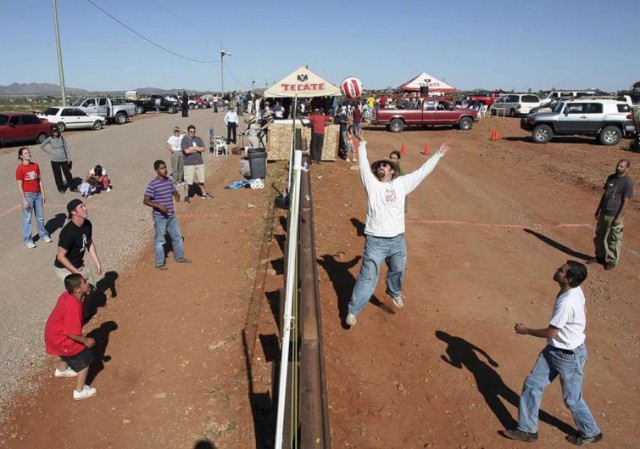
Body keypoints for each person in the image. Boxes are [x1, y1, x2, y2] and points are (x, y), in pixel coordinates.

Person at [346, 134, 450, 326]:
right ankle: (353, 310)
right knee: (368, 277)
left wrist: (438, 155)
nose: (381, 167)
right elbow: (363, 165)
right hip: (376, 241)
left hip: (397, 240)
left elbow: (422, 172)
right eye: (379, 166)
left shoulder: (402, 184)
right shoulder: (372, 185)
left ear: (393, 171)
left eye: (385, 166)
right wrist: (362, 144)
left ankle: (394, 293)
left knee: (398, 269)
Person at [504, 261, 603, 446]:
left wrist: (526, 331)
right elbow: (584, 310)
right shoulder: (575, 290)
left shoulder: (566, 302)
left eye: (561, 270)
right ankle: (527, 430)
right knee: (533, 384)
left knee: (572, 399)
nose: (557, 270)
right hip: (555, 350)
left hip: (568, 356)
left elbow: (551, 332)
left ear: (569, 279)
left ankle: (591, 431)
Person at [45, 273, 98, 400]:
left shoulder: (66, 296)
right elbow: (71, 333)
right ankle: (80, 391)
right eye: (84, 282)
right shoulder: (74, 306)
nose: (87, 281)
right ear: (77, 289)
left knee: (67, 353)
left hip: (52, 333)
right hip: (61, 338)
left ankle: (62, 370)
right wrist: (85, 340)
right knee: (84, 359)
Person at [143, 160, 191, 270]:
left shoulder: (169, 181)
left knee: (178, 237)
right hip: (160, 218)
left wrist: (177, 194)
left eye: (165, 167)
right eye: (162, 168)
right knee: (160, 240)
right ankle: (159, 263)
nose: (165, 170)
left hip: (171, 216)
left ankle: (179, 257)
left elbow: (173, 190)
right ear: (156, 171)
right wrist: (159, 206)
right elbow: (145, 200)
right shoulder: (153, 184)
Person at [589, 159, 633, 271]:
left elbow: (625, 201)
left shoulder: (628, 182)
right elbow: (605, 195)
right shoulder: (611, 177)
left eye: (621, 166)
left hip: (614, 214)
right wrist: (598, 209)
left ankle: (612, 261)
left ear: (626, 169)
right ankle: (600, 257)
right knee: (600, 237)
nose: (618, 168)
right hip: (604, 212)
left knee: (613, 239)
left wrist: (619, 216)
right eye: (618, 165)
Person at [54, 199, 103, 286]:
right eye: (81, 207)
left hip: (79, 265)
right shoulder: (68, 232)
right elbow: (60, 256)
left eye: (84, 206)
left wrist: (97, 263)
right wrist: (76, 272)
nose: (85, 208)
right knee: (79, 290)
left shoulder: (87, 224)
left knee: (92, 288)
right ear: (73, 212)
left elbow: (89, 243)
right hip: (64, 268)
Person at [15, 147, 52, 248]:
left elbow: (39, 180)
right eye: (26, 153)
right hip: (28, 195)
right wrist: (24, 200)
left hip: (38, 194)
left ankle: (43, 235)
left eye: (29, 152)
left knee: (40, 217)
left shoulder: (35, 165)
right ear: (21, 156)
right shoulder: (20, 169)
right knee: (27, 219)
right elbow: (19, 185)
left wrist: (43, 193)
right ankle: (28, 240)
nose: (28, 154)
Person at [181, 125, 213, 202]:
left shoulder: (198, 139)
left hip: (199, 163)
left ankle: (204, 194)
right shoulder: (184, 140)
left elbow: (204, 148)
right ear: (188, 132)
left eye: (193, 132)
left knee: (201, 180)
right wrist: (197, 149)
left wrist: (193, 148)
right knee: (188, 181)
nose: (192, 133)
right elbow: (186, 151)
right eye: (190, 131)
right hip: (189, 164)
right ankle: (186, 196)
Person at [39, 126, 76, 193]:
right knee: (57, 175)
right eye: (54, 132)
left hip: (64, 159)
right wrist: (50, 152)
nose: (55, 133)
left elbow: (66, 148)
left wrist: (69, 158)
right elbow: (41, 146)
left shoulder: (62, 138)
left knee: (68, 174)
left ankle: (72, 187)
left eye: (56, 131)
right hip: (54, 160)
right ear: (52, 132)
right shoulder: (50, 138)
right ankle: (61, 188)